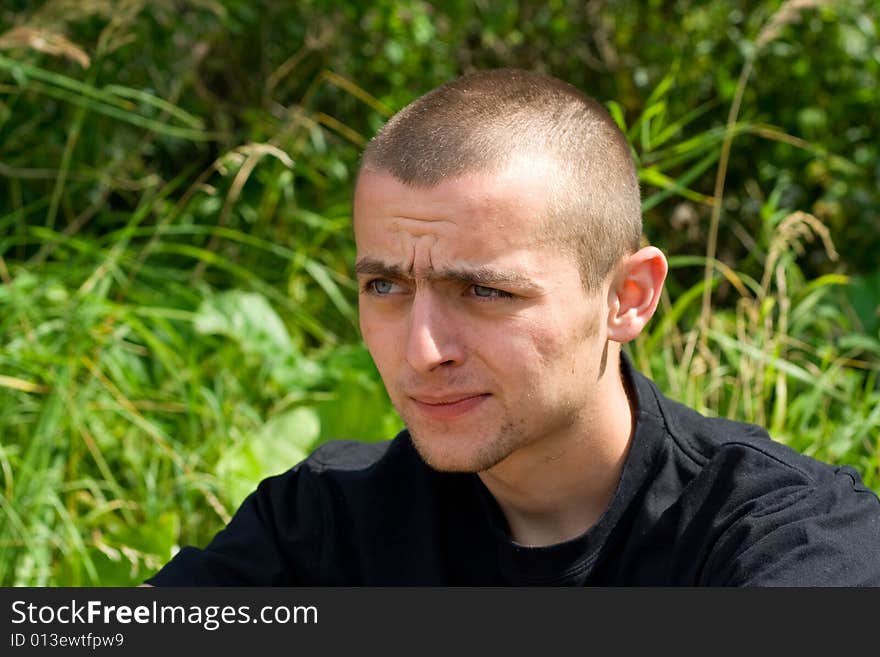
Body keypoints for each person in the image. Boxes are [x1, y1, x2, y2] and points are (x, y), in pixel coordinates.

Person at [146, 69, 880, 586]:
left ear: (628, 296)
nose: (423, 349)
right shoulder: (322, 523)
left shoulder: (784, 538)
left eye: (485, 290)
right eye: (384, 285)